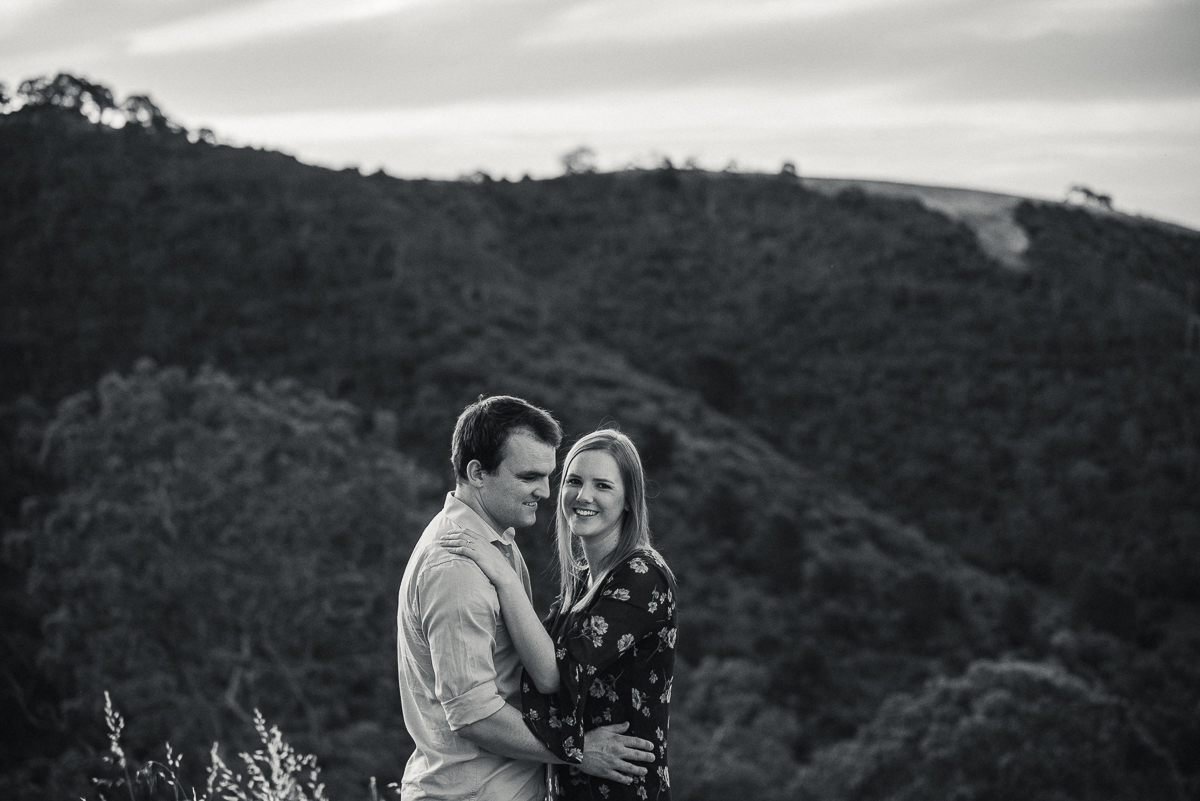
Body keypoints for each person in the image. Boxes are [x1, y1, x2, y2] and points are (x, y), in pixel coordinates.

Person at [397, 397, 657, 801]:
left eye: (550, 476)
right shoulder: (458, 570)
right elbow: (474, 716)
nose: (546, 491)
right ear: (477, 473)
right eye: (529, 477)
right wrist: (577, 752)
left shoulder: (497, 545)